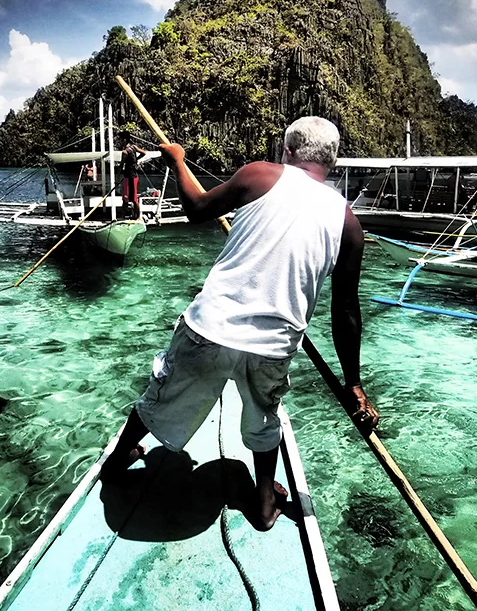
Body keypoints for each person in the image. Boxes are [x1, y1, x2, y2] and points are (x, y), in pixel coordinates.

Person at [100, 117, 378, 532]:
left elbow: (195, 209)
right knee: (265, 418)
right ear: (333, 161)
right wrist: (353, 384)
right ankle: (264, 504)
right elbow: (346, 312)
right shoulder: (348, 223)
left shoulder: (258, 175)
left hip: (210, 328)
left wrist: (177, 161)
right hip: (273, 346)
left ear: (287, 151)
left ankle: (117, 460)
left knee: (162, 390)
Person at [119, 131, 147, 219]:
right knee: (126, 198)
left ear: (124, 140)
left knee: (133, 199)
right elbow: (144, 153)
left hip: (131, 176)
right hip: (131, 175)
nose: (120, 141)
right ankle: (124, 216)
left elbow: (121, 165)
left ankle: (138, 217)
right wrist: (136, 160)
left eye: (120, 140)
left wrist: (117, 177)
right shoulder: (134, 147)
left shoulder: (125, 152)